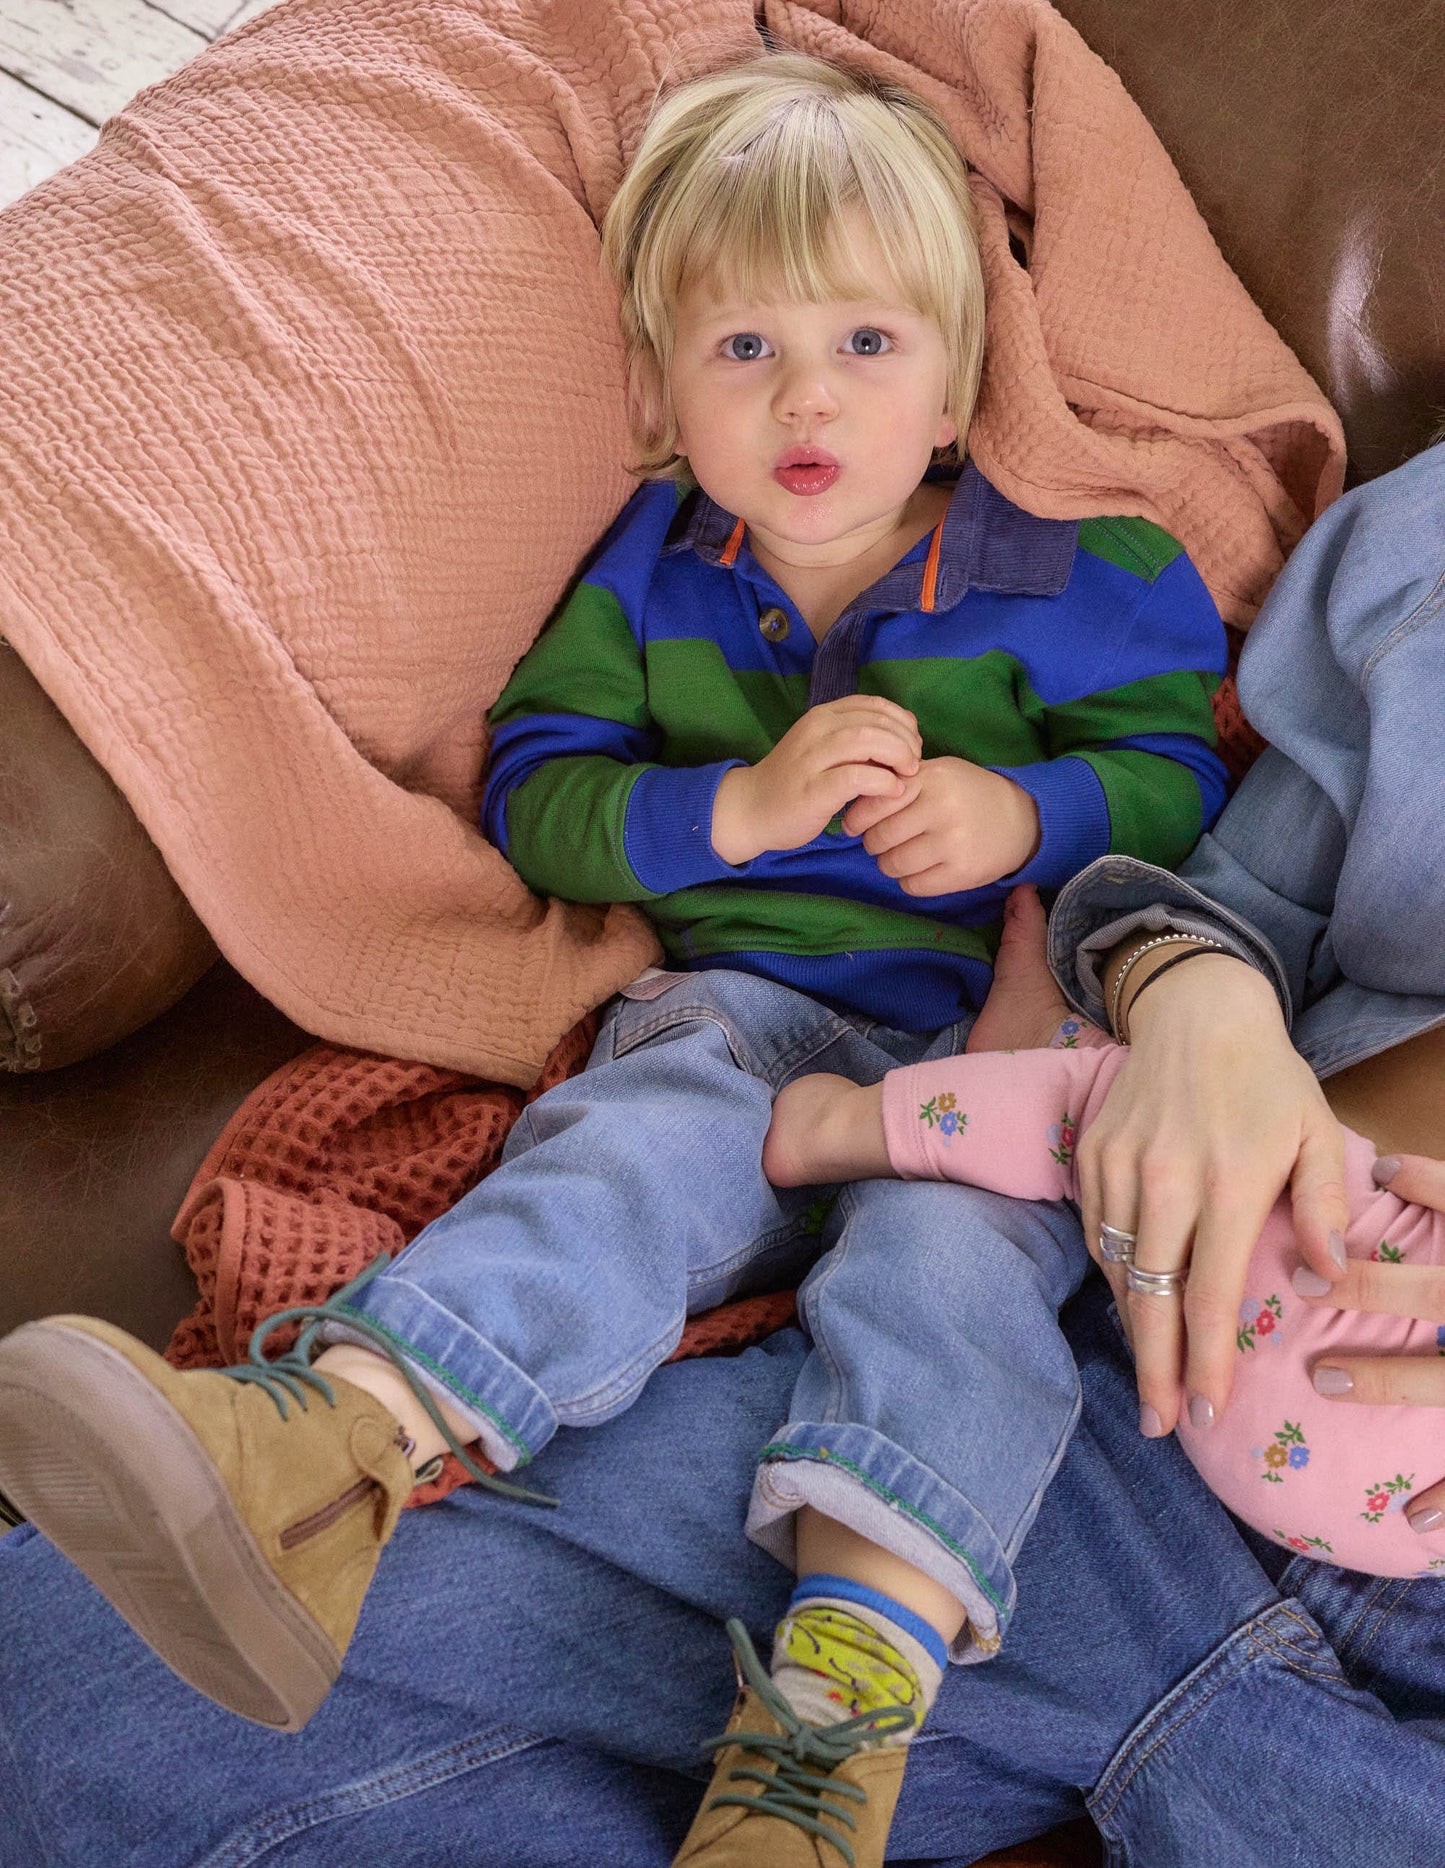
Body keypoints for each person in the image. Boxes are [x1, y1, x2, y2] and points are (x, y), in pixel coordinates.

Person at [0, 48, 1232, 1868]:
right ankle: (326, 1441)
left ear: (961, 382)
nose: (807, 394)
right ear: (660, 390)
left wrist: (1020, 815)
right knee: (631, 1147)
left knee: (953, 1283)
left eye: (868, 346)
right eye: (746, 349)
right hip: (741, 1020)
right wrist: (725, 812)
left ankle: (822, 1751)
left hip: (989, 1049)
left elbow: (1178, 770)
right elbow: (544, 799)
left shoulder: (1082, 570)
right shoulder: (651, 575)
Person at [2, 442, 1445, 1868]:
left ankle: (836, 1719)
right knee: (51, 1686)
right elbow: (1222, 877)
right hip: (1114, 1404)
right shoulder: (1413, 547)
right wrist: (1192, 991)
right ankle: (352, 1449)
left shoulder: (1071, 579)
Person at [765, 883, 1445, 1579]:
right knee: (1198, 1107)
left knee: (1150, 1109)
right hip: (1386, 1541)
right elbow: (1225, 898)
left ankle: (836, 1129)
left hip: (1336, 1279)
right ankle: (1047, 1041)